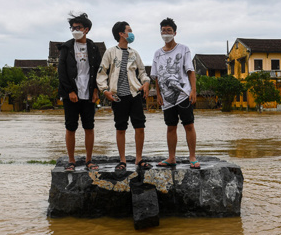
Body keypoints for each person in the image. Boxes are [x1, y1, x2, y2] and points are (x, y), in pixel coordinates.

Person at [97, 21, 152, 172]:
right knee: (120, 128)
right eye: (129, 30)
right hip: (118, 96)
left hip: (134, 94)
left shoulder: (134, 53)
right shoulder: (110, 52)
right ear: (121, 34)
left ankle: (139, 159)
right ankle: (122, 160)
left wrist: (146, 83)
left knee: (139, 126)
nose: (132, 33)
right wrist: (105, 90)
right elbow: (102, 73)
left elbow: (142, 72)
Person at [151, 17, 200, 169]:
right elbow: (157, 77)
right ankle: (171, 157)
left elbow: (190, 71)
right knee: (170, 127)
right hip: (167, 99)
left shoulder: (183, 49)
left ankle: (192, 157)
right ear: (160, 33)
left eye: (169, 31)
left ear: (175, 33)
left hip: (183, 94)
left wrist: (193, 90)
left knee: (189, 125)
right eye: (163, 31)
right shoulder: (157, 54)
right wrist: (158, 94)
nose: (166, 33)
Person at [58, 12, 102, 172]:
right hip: (71, 94)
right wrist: (69, 90)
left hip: (89, 93)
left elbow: (98, 70)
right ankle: (71, 160)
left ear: (86, 29)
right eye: (72, 28)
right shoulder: (67, 47)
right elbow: (61, 71)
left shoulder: (93, 47)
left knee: (89, 126)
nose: (75, 30)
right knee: (70, 127)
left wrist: (96, 90)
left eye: (78, 27)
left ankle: (89, 160)